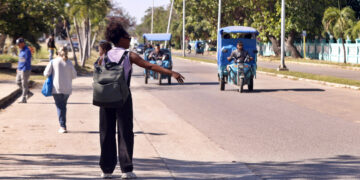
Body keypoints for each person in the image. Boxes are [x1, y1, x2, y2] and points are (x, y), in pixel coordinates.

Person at [98, 19, 184, 179]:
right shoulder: (129, 55)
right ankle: (126, 170)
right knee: (125, 132)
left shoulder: (104, 56)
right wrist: (171, 72)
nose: (130, 39)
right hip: (123, 98)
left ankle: (106, 170)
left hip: (105, 97)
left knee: (106, 132)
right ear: (120, 39)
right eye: (127, 37)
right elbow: (149, 66)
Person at [43, 46, 77, 133]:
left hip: (57, 88)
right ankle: (63, 125)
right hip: (67, 89)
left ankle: (63, 126)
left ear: (58, 52)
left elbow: (46, 73)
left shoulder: (53, 61)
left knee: (60, 107)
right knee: (63, 106)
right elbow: (74, 76)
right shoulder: (69, 62)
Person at [15, 38, 33, 103]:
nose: (18, 45)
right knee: (17, 82)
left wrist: (22, 69)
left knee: (24, 84)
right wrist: (18, 68)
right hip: (20, 69)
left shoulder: (27, 50)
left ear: (22, 43)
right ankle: (28, 93)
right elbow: (20, 60)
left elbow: (26, 61)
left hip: (25, 69)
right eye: (17, 44)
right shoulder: (21, 50)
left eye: (19, 44)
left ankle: (23, 98)